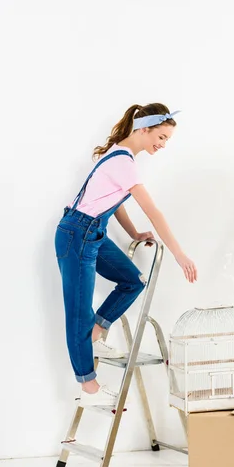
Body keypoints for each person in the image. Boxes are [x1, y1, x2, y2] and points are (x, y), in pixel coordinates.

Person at [55, 103, 197, 407]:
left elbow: (116, 200)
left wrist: (133, 234)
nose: (163, 144)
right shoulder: (124, 161)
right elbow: (154, 213)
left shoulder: (121, 155)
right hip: (77, 234)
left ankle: (97, 331)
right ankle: (88, 387)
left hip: (91, 232)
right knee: (78, 313)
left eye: (167, 140)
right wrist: (179, 254)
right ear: (144, 129)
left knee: (133, 280)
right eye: (161, 137)